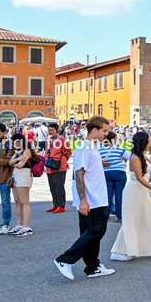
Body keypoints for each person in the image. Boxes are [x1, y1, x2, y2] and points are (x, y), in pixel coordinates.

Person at [54, 116, 115, 280]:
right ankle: (65, 260)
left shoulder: (91, 146)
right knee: (97, 231)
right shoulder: (84, 147)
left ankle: (93, 266)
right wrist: (83, 200)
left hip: (95, 196)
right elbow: (79, 173)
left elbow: (86, 168)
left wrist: (100, 164)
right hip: (92, 198)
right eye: (104, 130)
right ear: (94, 130)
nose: (106, 134)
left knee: (89, 232)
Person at [109, 131, 151, 261]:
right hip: (134, 191)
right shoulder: (135, 157)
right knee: (132, 221)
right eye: (147, 141)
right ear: (143, 142)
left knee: (148, 219)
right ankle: (119, 250)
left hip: (141, 190)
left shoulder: (141, 156)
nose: (149, 143)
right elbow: (139, 178)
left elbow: (145, 176)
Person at [7, 132, 35, 235]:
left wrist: (16, 161)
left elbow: (20, 165)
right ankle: (19, 225)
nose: (15, 144)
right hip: (16, 176)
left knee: (24, 202)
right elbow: (10, 162)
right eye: (13, 142)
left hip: (24, 176)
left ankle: (27, 226)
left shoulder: (27, 151)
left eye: (16, 142)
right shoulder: (18, 151)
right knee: (17, 202)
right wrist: (17, 159)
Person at [100, 131, 130, 223]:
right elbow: (131, 157)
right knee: (119, 195)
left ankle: (106, 215)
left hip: (106, 174)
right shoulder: (119, 149)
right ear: (114, 140)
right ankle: (120, 216)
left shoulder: (99, 151)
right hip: (119, 173)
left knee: (108, 195)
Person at [45, 122, 71, 213]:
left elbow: (68, 151)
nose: (50, 132)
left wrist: (63, 161)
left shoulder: (61, 139)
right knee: (52, 187)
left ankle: (61, 205)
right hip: (49, 166)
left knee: (59, 186)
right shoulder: (48, 140)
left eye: (52, 130)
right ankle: (55, 204)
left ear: (57, 130)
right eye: (49, 130)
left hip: (59, 166)